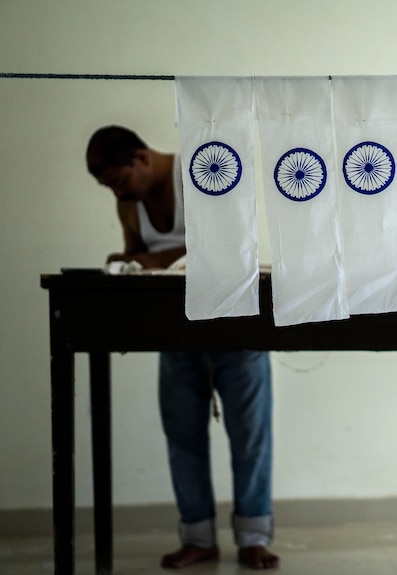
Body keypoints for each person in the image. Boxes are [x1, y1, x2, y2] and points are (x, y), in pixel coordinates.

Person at [86, 126, 280, 570]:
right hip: (175, 332)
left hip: (237, 325)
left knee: (250, 437)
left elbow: (231, 246)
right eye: (108, 186)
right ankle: (198, 537)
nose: (116, 192)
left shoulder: (199, 170)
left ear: (142, 158)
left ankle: (253, 538)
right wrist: (130, 261)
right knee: (182, 437)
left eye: (119, 180)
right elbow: (138, 255)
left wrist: (156, 259)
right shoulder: (128, 203)